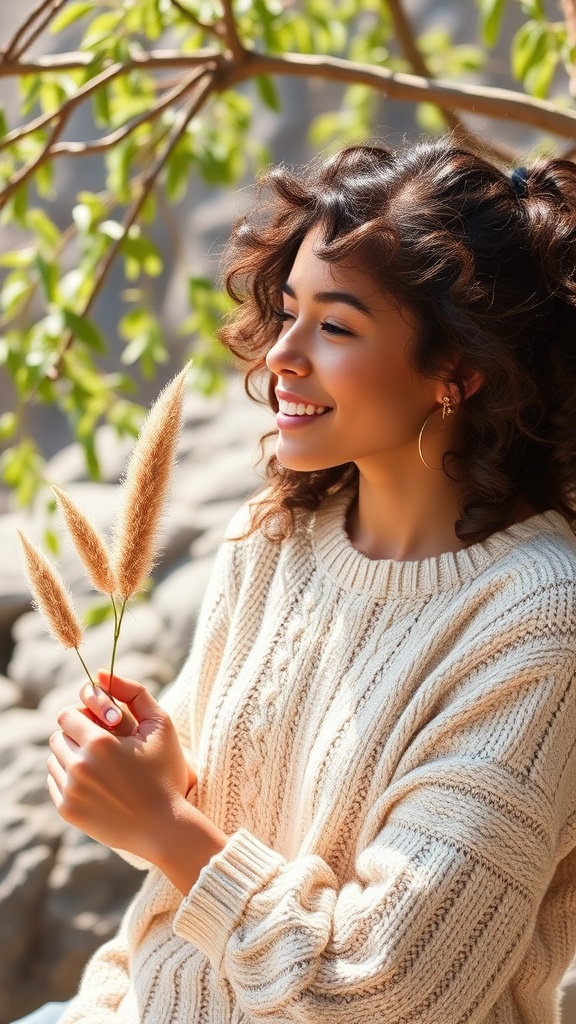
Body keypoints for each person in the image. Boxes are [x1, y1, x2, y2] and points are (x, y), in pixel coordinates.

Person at [15, 138, 576, 1023]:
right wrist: (149, 779)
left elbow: (393, 989)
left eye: (337, 325)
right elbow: (196, 855)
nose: (282, 353)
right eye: (286, 311)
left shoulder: (539, 621)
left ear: (457, 371)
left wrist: (163, 824)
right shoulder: (274, 535)